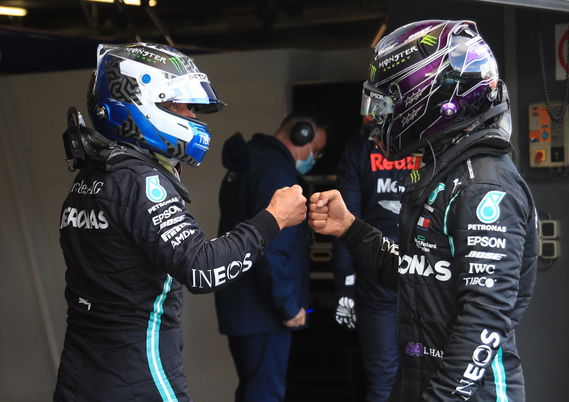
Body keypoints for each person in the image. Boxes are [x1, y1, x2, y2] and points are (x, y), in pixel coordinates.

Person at [53, 42, 308, 402]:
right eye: (181, 106)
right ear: (141, 103)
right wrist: (273, 220)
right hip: (137, 375)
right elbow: (202, 268)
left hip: (79, 375)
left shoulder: (91, 175)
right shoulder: (141, 182)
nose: (191, 117)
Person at [308, 20, 538, 401]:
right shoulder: (446, 174)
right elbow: (417, 276)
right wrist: (350, 228)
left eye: (387, 103)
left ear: (430, 99)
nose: (379, 117)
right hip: (421, 380)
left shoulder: (482, 187)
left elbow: (485, 317)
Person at [215, 111, 327, 402]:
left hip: (241, 305)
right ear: (301, 136)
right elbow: (273, 247)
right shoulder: (277, 172)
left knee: (253, 390)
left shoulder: (249, 163)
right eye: (315, 150)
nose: (313, 158)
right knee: (264, 394)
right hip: (263, 310)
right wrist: (288, 306)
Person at [332, 134, 420, 402]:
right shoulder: (430, 141)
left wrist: (344, 287)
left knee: (384, 381)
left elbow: (343, 222)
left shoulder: (359, 150)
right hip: (425, 275)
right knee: (425, 376)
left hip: (378, 274)